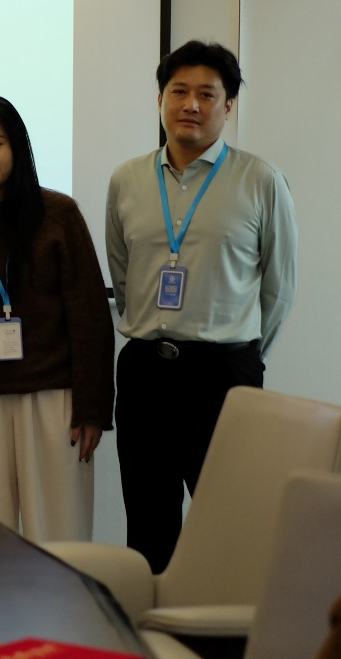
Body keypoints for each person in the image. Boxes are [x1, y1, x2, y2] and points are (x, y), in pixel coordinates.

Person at [106, 40, 298, 573]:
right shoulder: (126, 179)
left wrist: (243, 355)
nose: (190, 104)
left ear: (228, 106)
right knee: (148, 525)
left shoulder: (261, 180)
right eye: (178, 92)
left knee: (229, 525)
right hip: (145, 372)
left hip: (224, 374)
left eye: (207, 95)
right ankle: (151, 623)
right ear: (160, 100)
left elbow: (279, 288)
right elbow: (123, 275)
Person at [0, 96, 114, 541]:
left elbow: (90, 317)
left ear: (17, 147)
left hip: (55, 400)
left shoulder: (58, 215)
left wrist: (93, 408)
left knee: (60, 534)